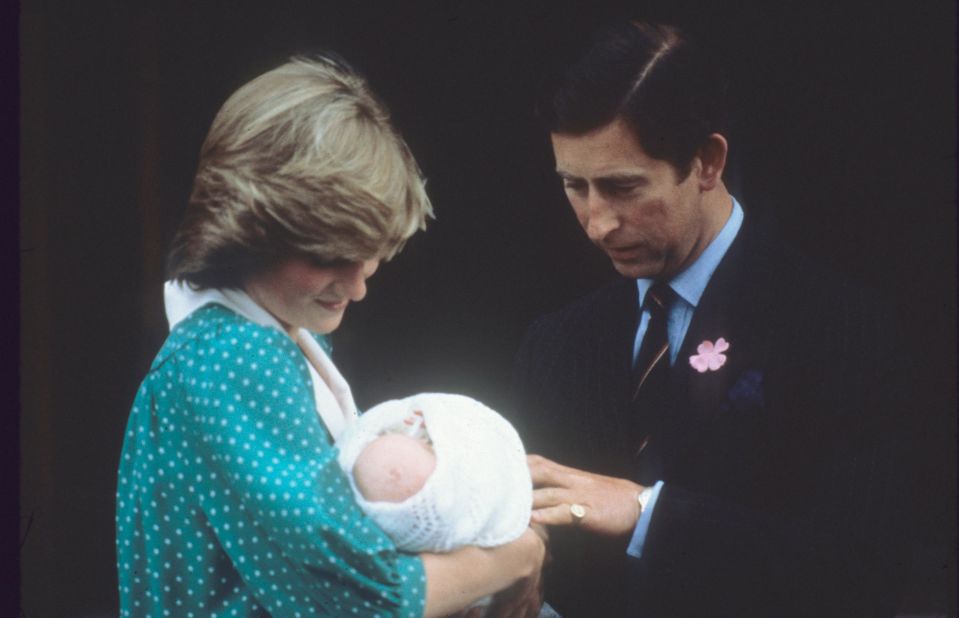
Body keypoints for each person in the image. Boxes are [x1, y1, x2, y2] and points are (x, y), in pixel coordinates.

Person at [116, 53, 545, 617]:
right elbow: (360, 601)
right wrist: (515, 555)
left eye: (369, 258)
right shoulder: (232, 359)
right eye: (328, 257)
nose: (357, 286)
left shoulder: (260, 339)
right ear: (245, 224)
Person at [509, 21, 911, 617]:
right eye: (575, 186)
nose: (597, 223)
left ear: (706, 162)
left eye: (622, 187)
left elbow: (863, 574)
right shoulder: (554, 343)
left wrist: (649, 514)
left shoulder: (841, 328)